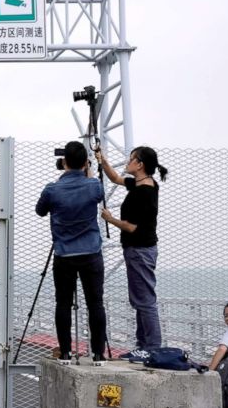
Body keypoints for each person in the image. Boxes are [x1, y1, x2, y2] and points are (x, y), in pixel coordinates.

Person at [35, 140, 107, 363]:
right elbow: (97, 191)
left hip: (64, 255)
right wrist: (88, 170)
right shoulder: (93, 185)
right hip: (91, 253)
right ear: (85, 162)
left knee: (63, 303)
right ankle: (98, 354)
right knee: (95, 303)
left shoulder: (52, 189)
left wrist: (61, 182)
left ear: (64, 161)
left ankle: (65, 352)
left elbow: (40, 211)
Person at [97, 146, 169, 353]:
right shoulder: (140, 184)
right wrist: (103, 160)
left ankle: (152, 349)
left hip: (139, 250)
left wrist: (111, 220)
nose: (127, 163)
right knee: (140, 298)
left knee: (145, 301)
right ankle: (143, 346)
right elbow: (114, 179)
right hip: (139, 250)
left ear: (140, 164)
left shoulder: (144, 192)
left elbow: (133, 227)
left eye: (131, 160)